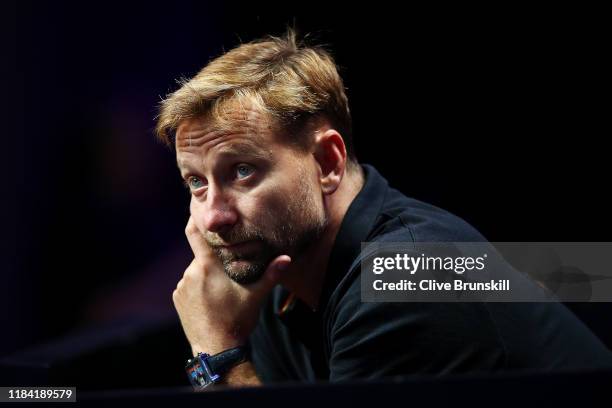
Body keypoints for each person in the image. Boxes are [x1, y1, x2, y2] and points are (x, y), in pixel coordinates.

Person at [155, 30, 612, 386]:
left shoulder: (407, 274)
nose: (214, 217)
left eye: (241, 172)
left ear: (326, 162)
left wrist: (217, 352)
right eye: (196, 182)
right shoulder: (275, 277)